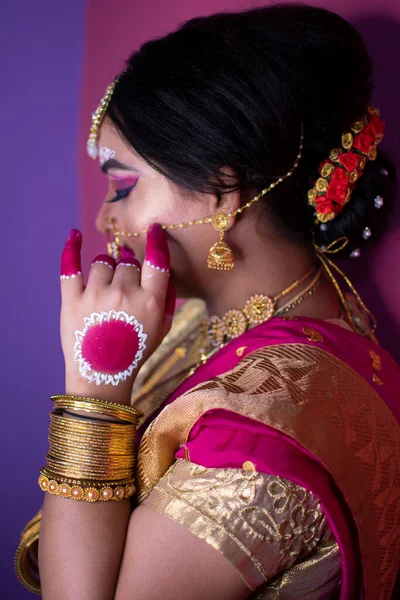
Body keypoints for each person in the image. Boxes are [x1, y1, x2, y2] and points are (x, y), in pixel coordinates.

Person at [15, 3, 399, 599]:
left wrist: (94, 391)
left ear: (222, 190)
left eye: (122, 185)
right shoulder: (208, 322)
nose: (103, 217)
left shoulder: (268, 431)